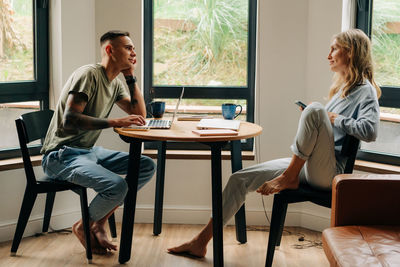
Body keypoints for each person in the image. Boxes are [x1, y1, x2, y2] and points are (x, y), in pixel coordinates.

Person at [168, 28, 381, 257]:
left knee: (316, 109)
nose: (328, 54)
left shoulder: (365, 91)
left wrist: (331, 117)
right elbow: (328, 128)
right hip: (309, 164)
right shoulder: (342, 90)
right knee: (239, 179)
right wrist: (315, 116)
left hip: (330, 172)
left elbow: (370, 132)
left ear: (351, 53)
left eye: (334, 49)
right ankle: (201, 241)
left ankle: (289, 176)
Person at [41, 30, 156, 254]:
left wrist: (130, 76)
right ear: (109, 50)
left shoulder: (114, 83)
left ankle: (97, 223)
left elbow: (140, 115)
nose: (134, 52)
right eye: (128, 48)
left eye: (133, 48)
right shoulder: (89, 75)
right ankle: (84, 226)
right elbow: (70, 120)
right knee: (117, 185)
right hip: (60, 155)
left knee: (146, 165)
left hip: (88, 152)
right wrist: (114, 121)